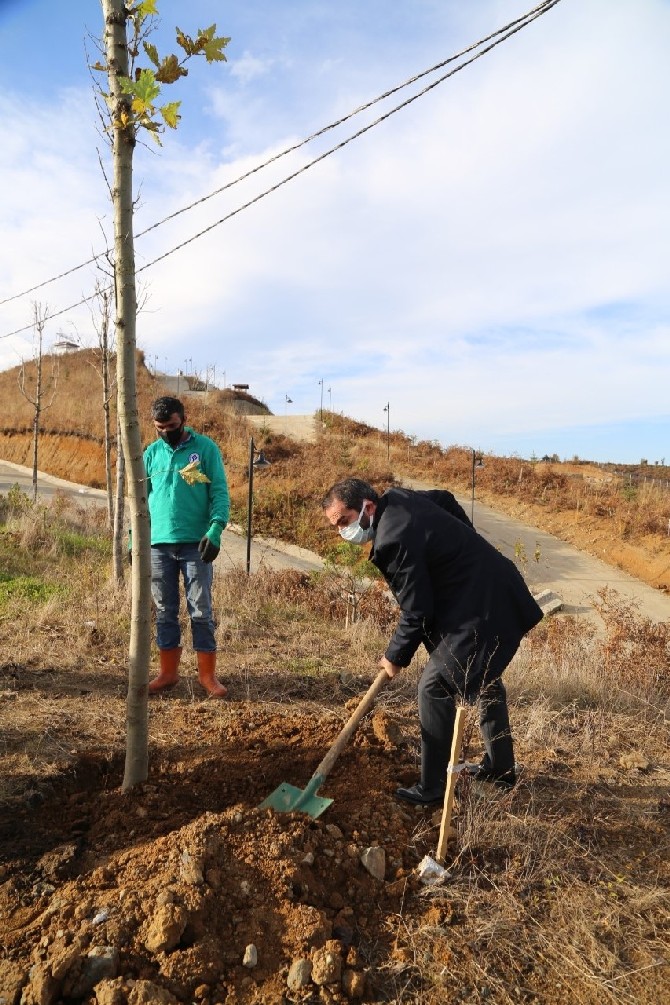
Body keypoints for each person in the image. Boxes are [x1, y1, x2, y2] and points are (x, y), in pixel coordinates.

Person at [322, 478, 543, 805]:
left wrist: (394, 656)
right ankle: (500, 768)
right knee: (483, 677)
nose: (343, 531)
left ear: (367, 507)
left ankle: (434, 787)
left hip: (480, 607)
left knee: (434, 687)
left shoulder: (393, 538)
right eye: (336, 525)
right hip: (491, 589)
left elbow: (417, 610)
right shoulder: (398, 499)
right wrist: (464, 549)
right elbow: (445, 497)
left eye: (344, 520)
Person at [144, 395, 230, 697]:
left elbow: (219, 491)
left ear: (184, 420)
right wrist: (133, 537)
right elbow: (140, 501)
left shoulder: (205, 449)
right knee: (164, 610)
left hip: (196, 543)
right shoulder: (151, 453)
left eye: (171, 426)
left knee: (201, 609)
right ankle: (168, 673)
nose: (165, 432)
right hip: (158, 545)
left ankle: (207, 676)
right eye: (159, 427)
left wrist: (216, 528)